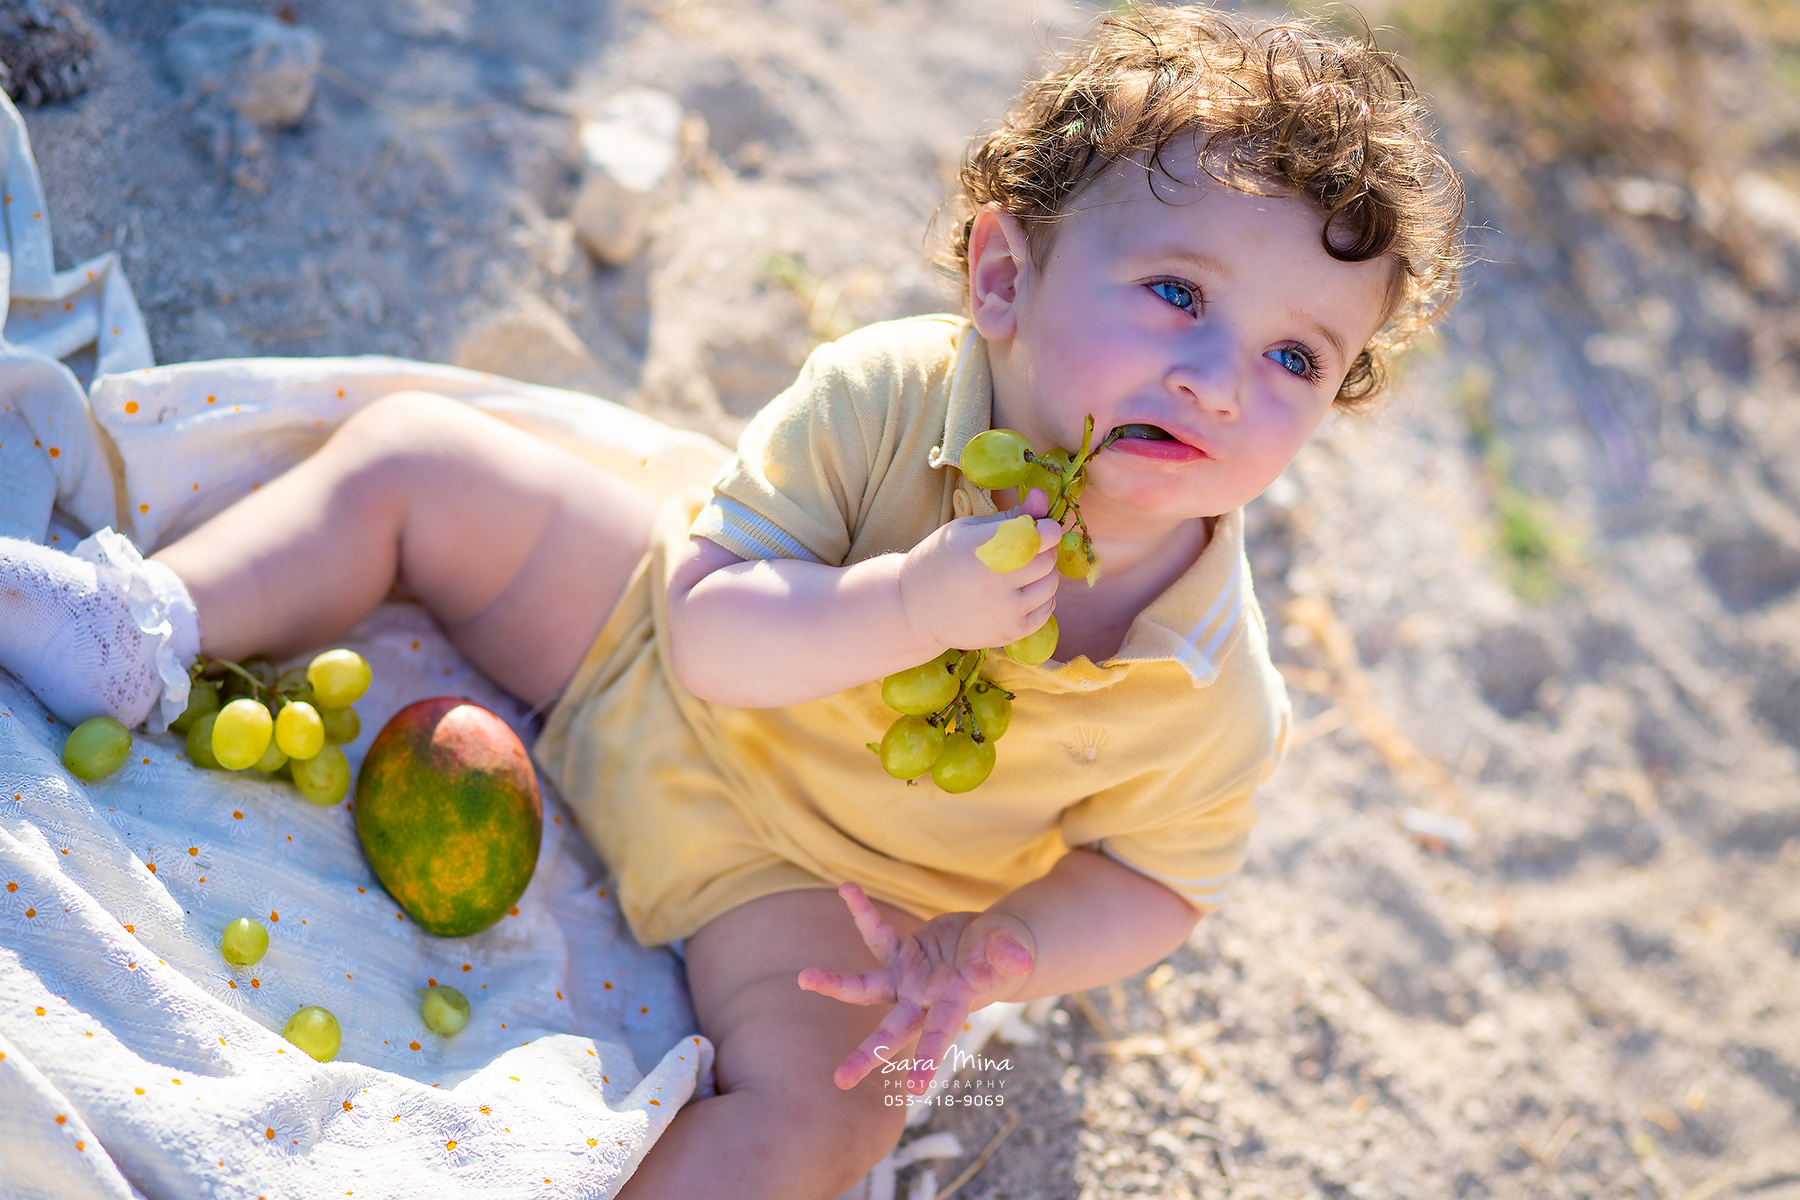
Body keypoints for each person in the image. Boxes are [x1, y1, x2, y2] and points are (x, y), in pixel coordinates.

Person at [0, 7, 1465, 1196]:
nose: (1219, 376)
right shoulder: (890, 398)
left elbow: (1161, 883)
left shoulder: (1210, 681)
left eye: (1295, 360)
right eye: (1177, 295)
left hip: (818, 888)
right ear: (1006, 276)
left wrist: (1002, 946)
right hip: (639, 658)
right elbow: (707, 619)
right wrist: (907, 603)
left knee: (836, 1123)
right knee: (417, 464)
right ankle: (142, 628)